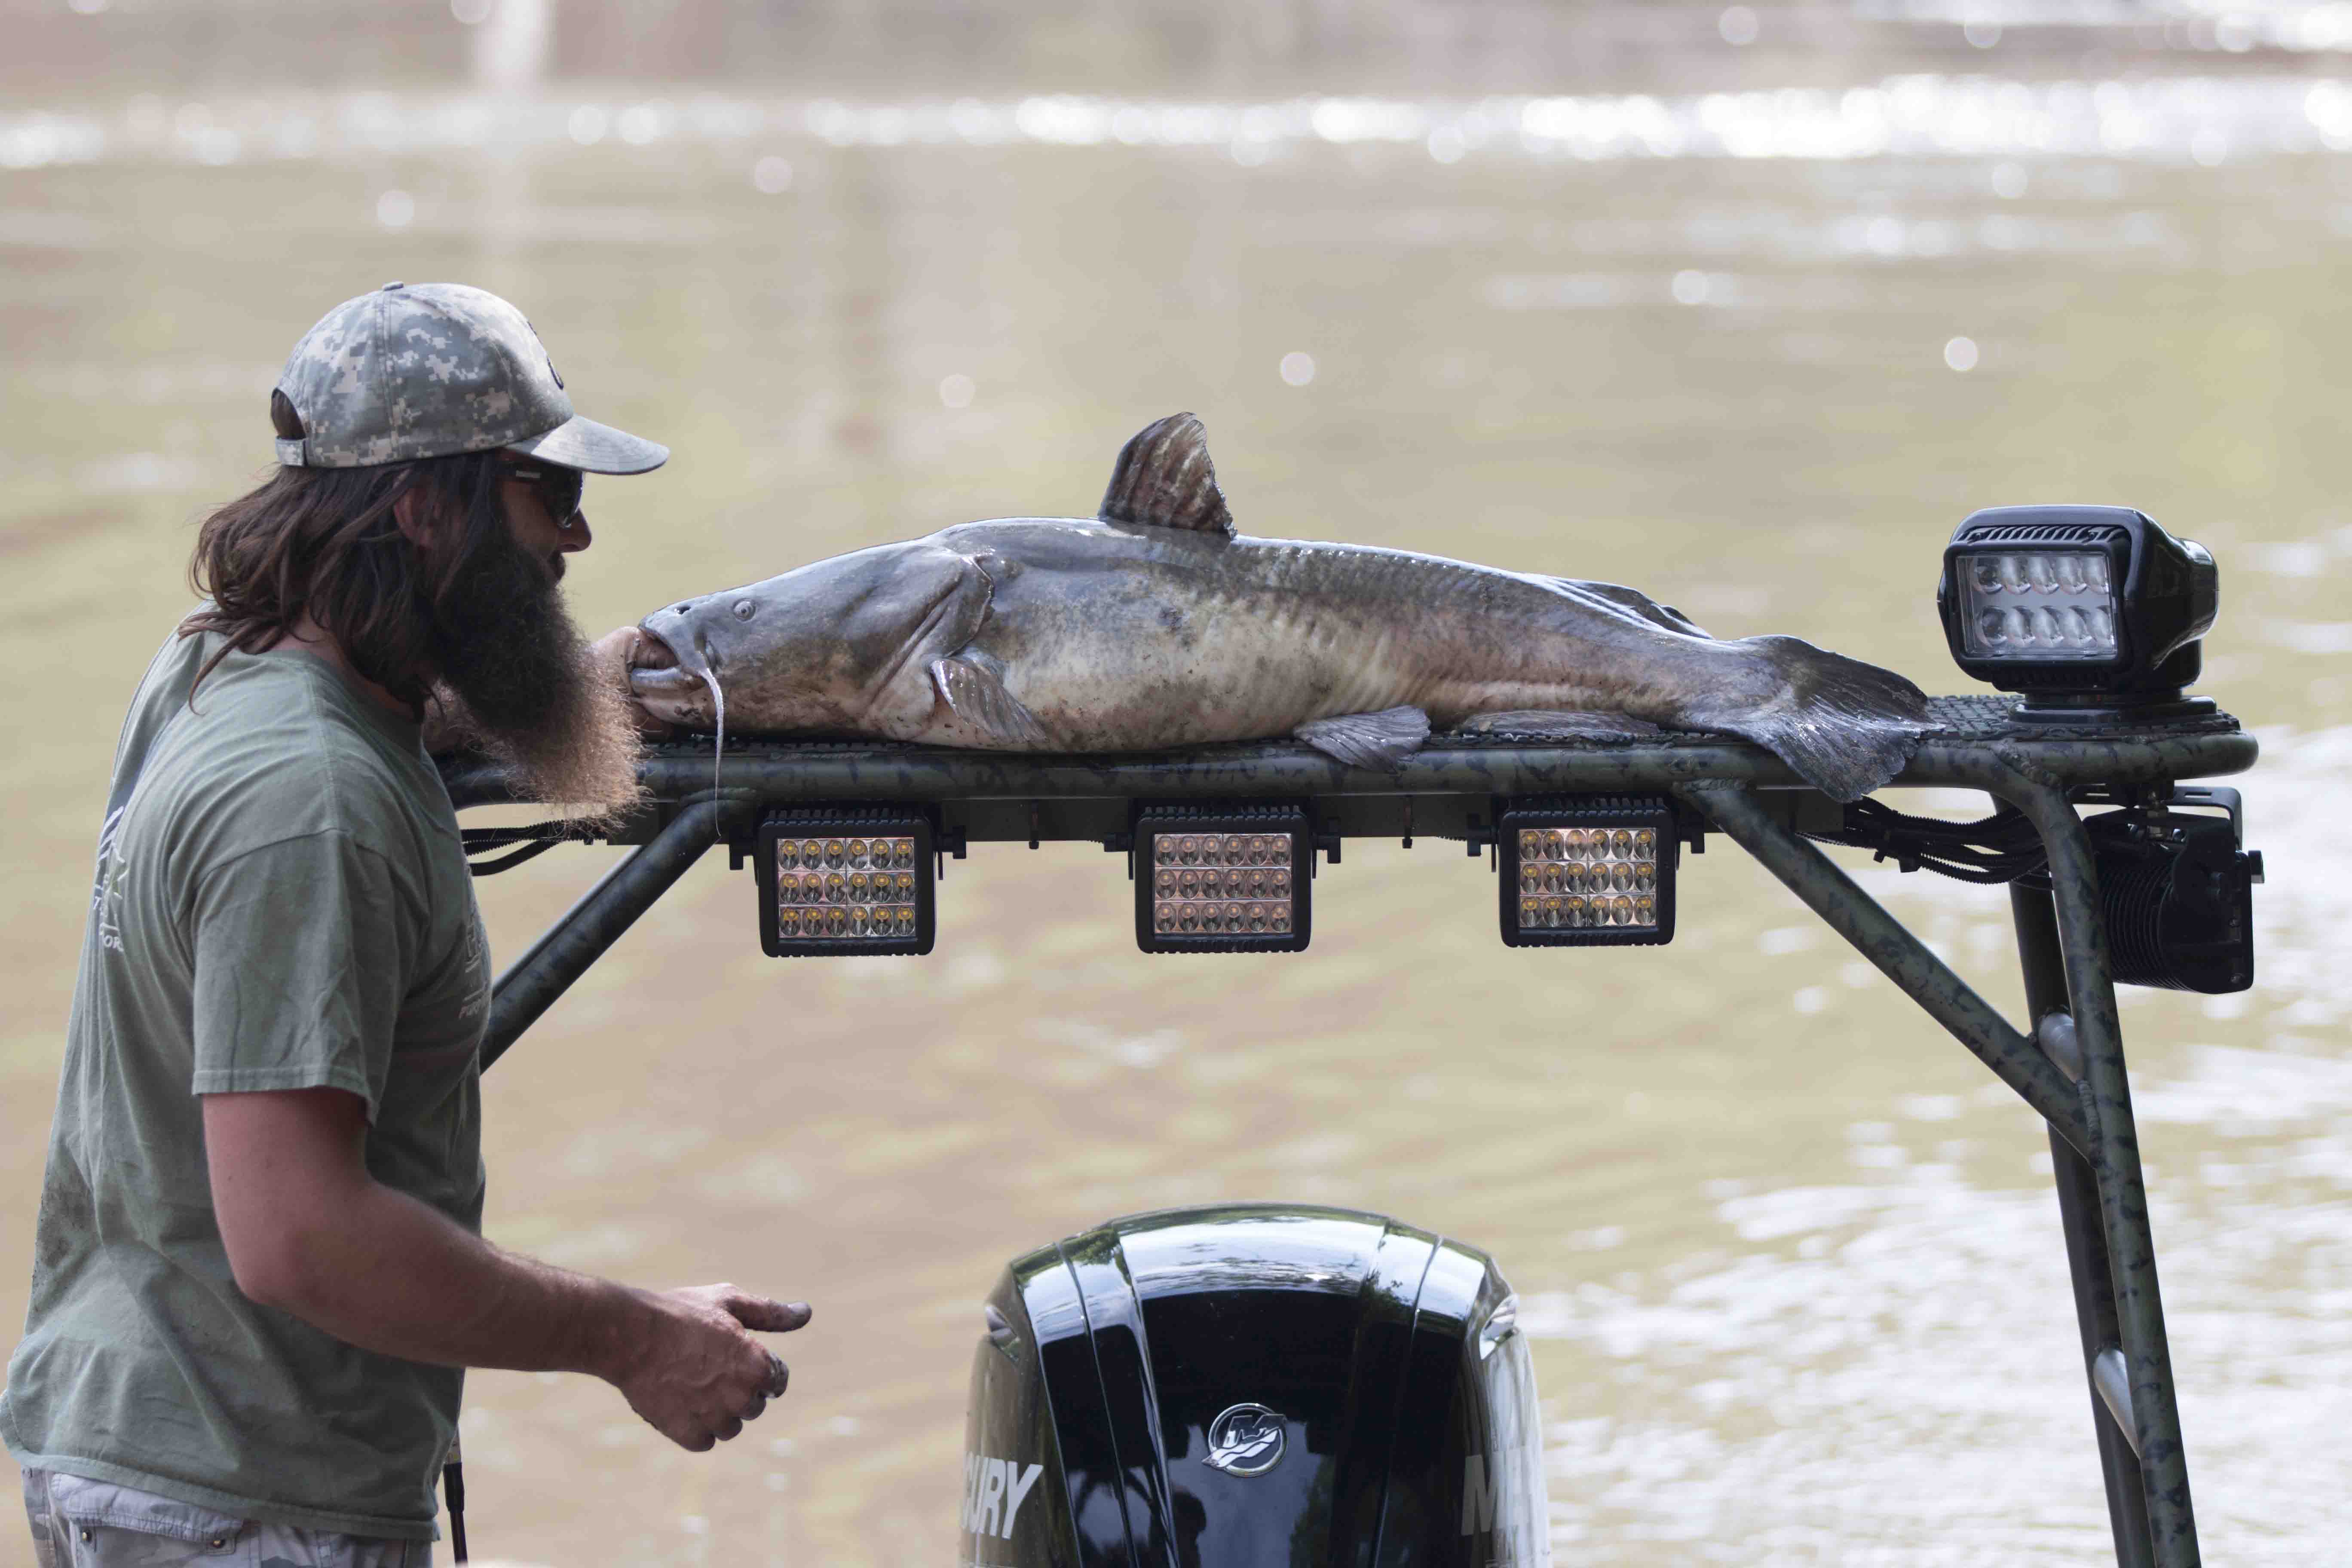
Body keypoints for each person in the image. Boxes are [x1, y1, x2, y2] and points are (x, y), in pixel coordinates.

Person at [3, 282, 809, 1567]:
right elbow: (299, 1237)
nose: (579, 540)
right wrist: (632, 1337)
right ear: (426, 509)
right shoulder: (309, 805)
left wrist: (585, 690)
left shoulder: (215, 669)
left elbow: (377, 720)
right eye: (548, 494)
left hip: (144, 1444)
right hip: (239, 1505)